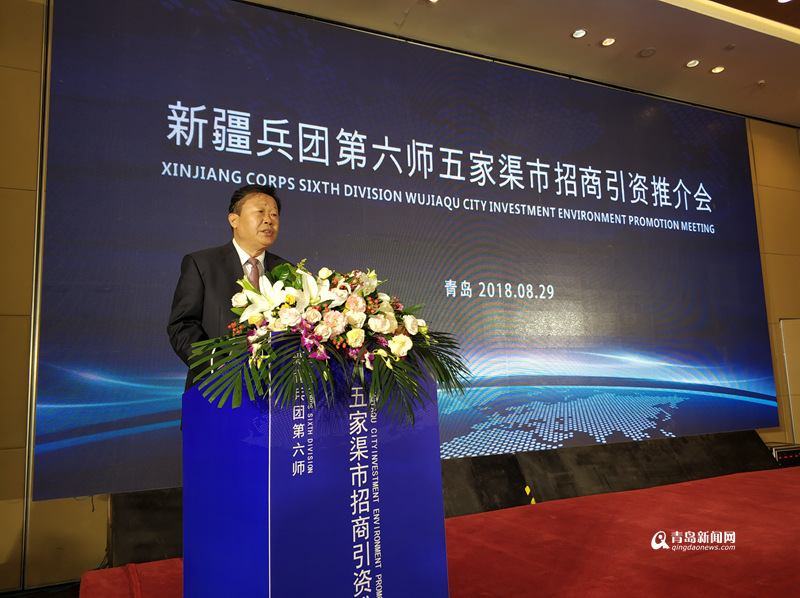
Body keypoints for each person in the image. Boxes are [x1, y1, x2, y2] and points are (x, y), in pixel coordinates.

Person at [167, 184, 289, 391]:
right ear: (234, 220)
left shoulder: (288, 272)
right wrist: (219, 367)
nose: (269, 220)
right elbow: (182, 326)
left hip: (276, 392)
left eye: (274, 214)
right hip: (216, 388)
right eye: (260, 212)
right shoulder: (202, 264)